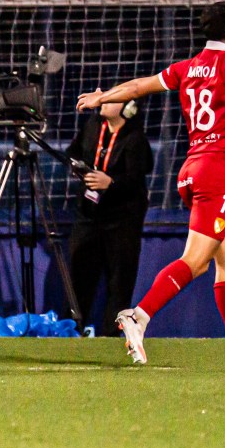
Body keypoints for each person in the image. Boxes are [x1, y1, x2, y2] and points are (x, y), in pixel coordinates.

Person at [76, 0, 225, 370]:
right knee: (195, 260)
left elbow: (141, 86)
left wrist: (102, 97)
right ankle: (138, 316)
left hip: (194, 169)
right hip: (219, 173)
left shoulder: (189, 67)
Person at [65, 98, 153, 336]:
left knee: (119, 282)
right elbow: (71, 152)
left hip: (122, 219)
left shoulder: (136, 140)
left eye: (111, 98)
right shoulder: (93, 126)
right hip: (89, 214)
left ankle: (111, 337)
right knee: (80, 276)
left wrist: (110, 182)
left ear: (127, 109)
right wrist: (80, 168)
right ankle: (73, 331)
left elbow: (136, 179)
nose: (103, 101)